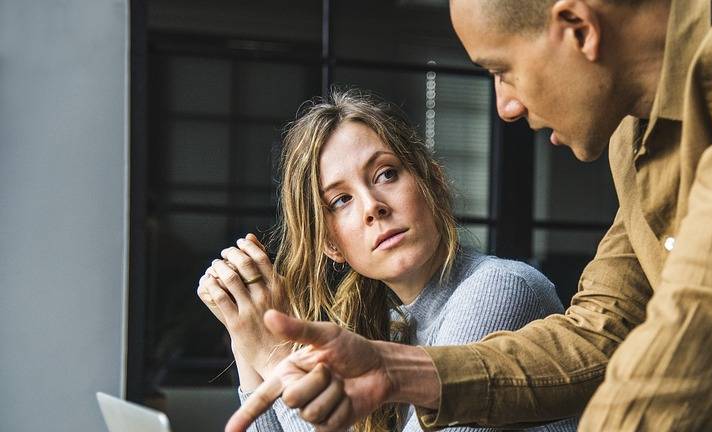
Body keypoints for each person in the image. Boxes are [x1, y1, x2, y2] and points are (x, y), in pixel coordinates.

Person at [228, 0, 712, 431]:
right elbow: (601, 331)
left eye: (502, 71)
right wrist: (394, 368)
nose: (506, 106)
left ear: (576, 25)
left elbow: (700, 329)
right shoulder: (637, 142)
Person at [198, 90, 577, 432]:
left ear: (434, 183)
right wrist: (245, 331)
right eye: (341, 200)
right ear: (332, 246)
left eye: (386, 174)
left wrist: (274, 355)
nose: (372, 207)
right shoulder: (387, 325)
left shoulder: (501, 289)